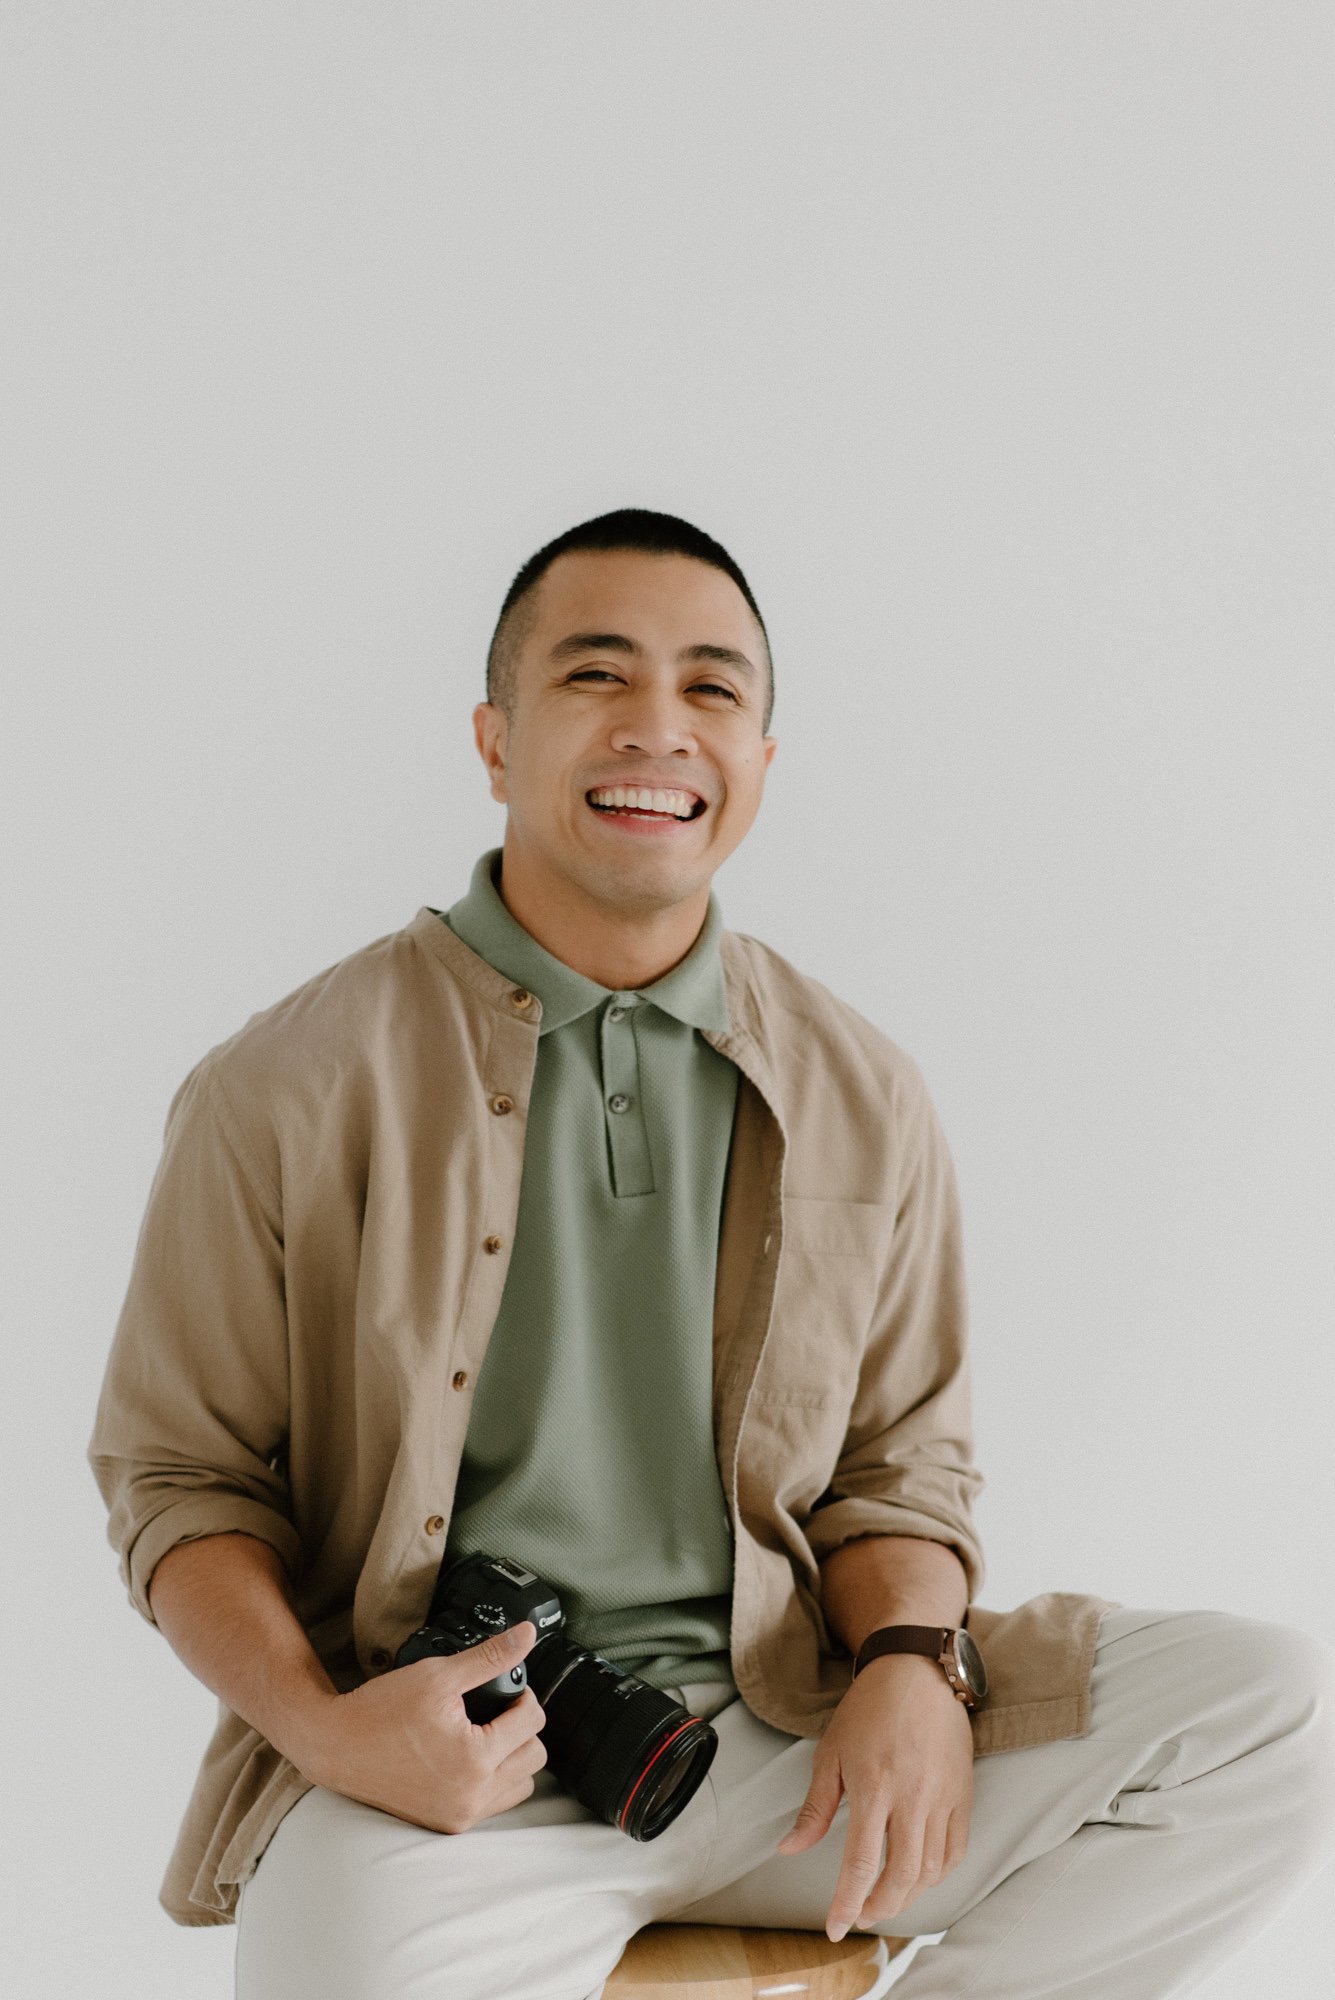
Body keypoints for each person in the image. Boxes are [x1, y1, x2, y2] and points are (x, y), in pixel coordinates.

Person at [89, 507, 1335, 1999]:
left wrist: (910, 1671)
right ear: (495, 740)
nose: (657, 729)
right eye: (596, 677)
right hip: (461, 1772)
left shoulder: (862, 1087)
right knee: (329, 1962)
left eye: (712, 690)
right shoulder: (289, 1082)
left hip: (793, 1725)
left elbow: (899, 1473)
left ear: (759, 758)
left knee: (1267, 1710)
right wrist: (329, 1730)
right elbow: (183, 1485)